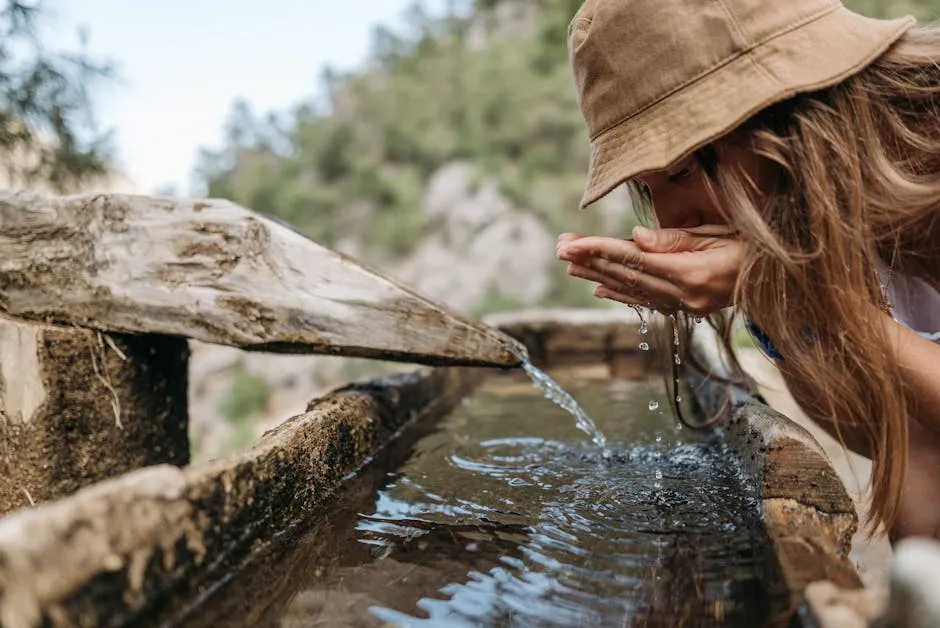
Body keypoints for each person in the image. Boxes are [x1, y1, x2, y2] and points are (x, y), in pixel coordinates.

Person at [555, 0, 940, 543]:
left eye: (682, 170)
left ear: (785, 109)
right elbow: (882, 437)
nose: (670, 219)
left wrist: (797, 291)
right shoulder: (824, 206)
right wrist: (772, 298)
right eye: (647, 189)